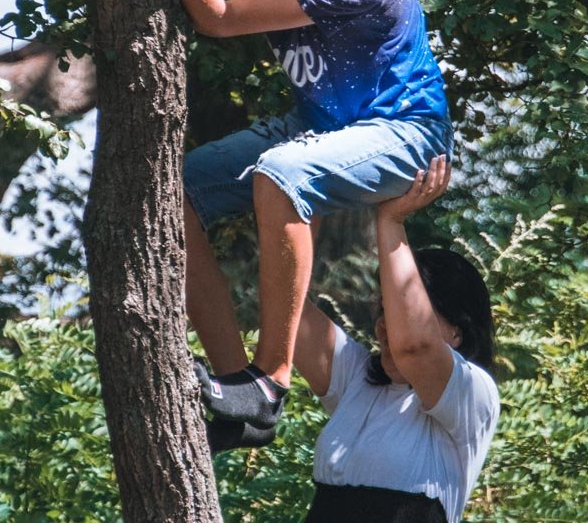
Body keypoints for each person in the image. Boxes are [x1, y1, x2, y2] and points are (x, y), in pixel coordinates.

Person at [41, 0, 453, 435]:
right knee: (170, 189)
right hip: (319, 127)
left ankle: (270, 381)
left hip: (405, 133)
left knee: (281, 175)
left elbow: (220, 18)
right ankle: (238, 391)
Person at [211, 155, 499, 523]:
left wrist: (391, 220)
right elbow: (285, 303)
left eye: (405, 315)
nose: (387, 326)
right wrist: (305, 191)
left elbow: (415, 347)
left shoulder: (474, 395)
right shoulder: (359, 378)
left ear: (457, 331)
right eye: (385, 311)